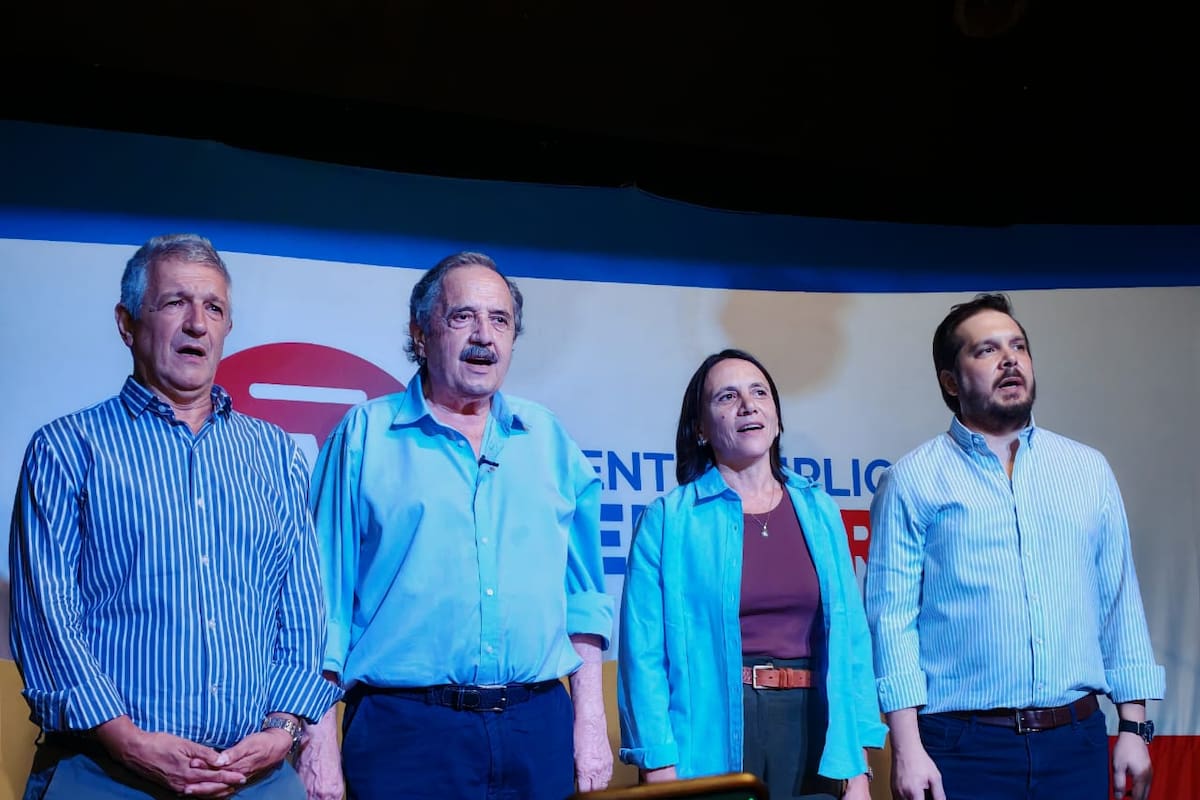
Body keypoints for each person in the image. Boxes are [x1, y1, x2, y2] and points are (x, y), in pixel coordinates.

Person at [8, 233, 339, 800]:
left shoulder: (276, 453)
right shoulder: (67, 450)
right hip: (107, 776)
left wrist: (284, 728)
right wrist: (128, 741)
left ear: (228, 327)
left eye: (214, 307)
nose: (196, 324)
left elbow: (303, 609)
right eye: (175, 303)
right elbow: (47, 620)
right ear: (127, 323)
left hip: (255, 776)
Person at [298, 251, 612, 800]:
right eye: (462, 317)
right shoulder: (364, 436)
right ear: (421, 334)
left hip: (536, 724)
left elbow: (584, 598)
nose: (483, 336)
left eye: (500, 321)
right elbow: (322, 605)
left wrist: (589, 725)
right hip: (407, 732)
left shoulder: (549, 440)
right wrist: (318, 742)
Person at [865, 293, 1165, 800]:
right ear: (950, 381)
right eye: (985, 350)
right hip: (961, 747)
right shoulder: (913, 479)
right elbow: (892, 620)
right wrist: (908, 748)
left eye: (1018, 346)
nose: (1010, 360)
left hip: (1076, 740)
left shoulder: (1087, 470)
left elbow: (1119, 603)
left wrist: (1133, 728)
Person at [618, 349, 884, 800]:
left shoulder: (819, 511)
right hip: (712, 729)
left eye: (759, 392)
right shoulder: (668, 520)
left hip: (813, 727)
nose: (748, 405)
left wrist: (857, 763)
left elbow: (852, 641)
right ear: (701, 429)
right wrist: (658, 764)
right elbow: (642, 656)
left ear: (777, 417)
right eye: (727, 397)